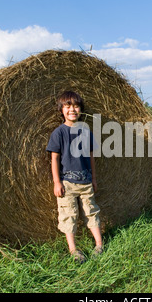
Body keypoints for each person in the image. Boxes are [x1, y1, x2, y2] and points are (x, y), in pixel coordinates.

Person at [46, 91, 103, 263]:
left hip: (86, 181)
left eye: (76, 106)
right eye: (68, 106)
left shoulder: (86, 132)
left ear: (81, 110)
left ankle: (99, 244)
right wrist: (57, 182)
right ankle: (73, 250)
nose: (72, 109)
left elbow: (91, 157)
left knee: (91, 212)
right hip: (67, 183)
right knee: (68, 214)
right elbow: (54, 158)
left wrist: (94, 179)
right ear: (61, 110)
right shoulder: (59, 133)